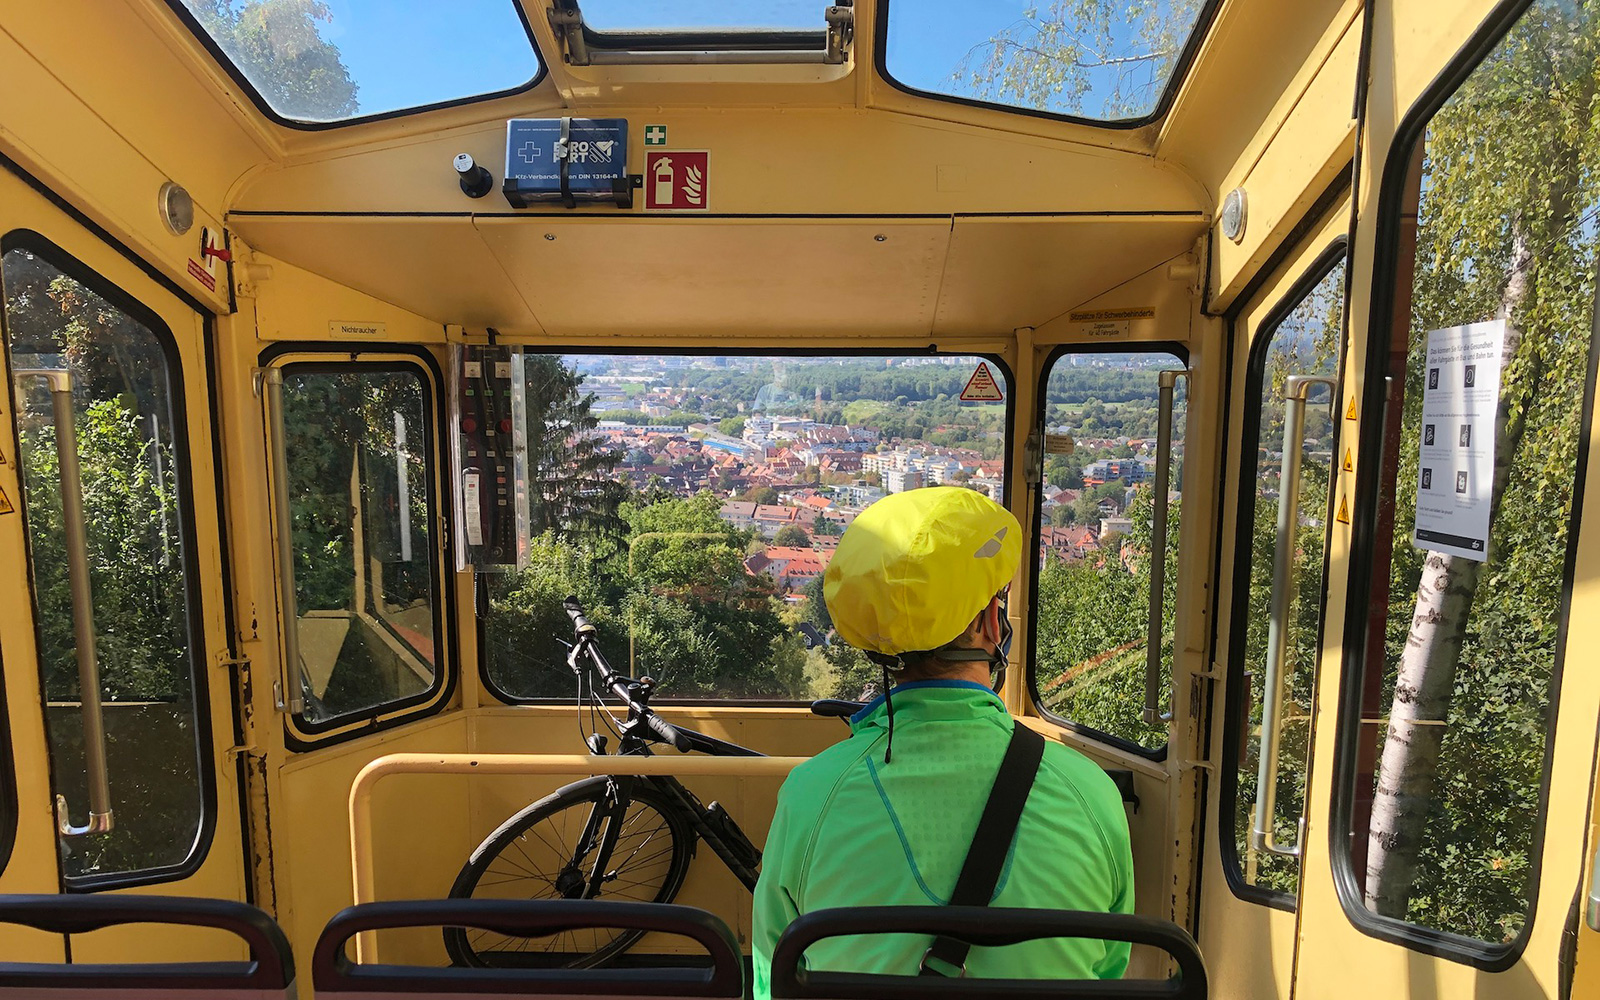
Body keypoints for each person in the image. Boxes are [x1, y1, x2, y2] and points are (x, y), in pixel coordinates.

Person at [751, 487, 1134, 998]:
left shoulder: (812, 794)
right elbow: (1109, 968)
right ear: (988, 625)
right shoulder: (1089, 791)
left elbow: (772, 973)